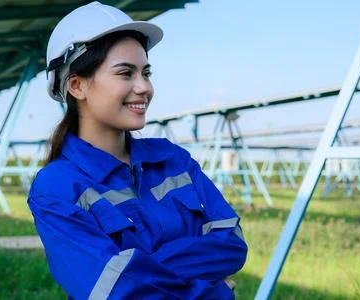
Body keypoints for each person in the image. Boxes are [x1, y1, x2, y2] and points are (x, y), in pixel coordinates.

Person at [28, 2, 248, 299]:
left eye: (146, 72)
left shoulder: (173, 159)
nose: (144, 87)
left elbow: (232, 243)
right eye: (125, 73)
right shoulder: (56, 188)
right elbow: (115, 290)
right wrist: (214, 293)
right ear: (77, 86)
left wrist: (144, 266)